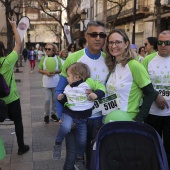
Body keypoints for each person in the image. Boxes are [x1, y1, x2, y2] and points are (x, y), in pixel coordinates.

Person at [55, 20, 109, 170]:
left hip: (97, 119)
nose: (98, 38)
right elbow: (60, 90)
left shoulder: (109, 60)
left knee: (93, 157)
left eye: (102, 35)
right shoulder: (73, 58)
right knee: (72, 157)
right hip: (74, 117)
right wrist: (62, 116)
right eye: (94, 34)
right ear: (86, 36)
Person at [53, 63, 106, 165]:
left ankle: (79, 158)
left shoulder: (88, 83)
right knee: (65, 127)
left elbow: (101, 88)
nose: (67, 78)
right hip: (69, 114)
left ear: (77, 77)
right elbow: (68, 101)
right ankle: (58, 143)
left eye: (68, 76)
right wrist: (61, 98)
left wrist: (96, 94)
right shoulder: (68, 87)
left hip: (82, 118)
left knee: (82, 140)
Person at [104, 28, 156, 123]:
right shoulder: (113, 65)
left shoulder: (134, 66)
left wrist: (139, 119)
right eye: (110, 42)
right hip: (110, 119)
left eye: (118, 42)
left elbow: (151, 93)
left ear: (126, 44)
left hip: (128, 120)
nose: (113, 46)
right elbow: (113, 96)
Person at [0, 18, 29, 155]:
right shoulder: (7, 62)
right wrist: (13, 26)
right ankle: (21, 147)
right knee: (18, 122)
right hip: (11, 98)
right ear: (2, 50)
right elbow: (18, 44)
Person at [142, 30, 170, 167]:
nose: (163, 45)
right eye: (160, 42)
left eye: (167, 42)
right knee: (152, 147)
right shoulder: (147, 60)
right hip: (152, 113)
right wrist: (155, 96)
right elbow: (140, 83)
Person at [38, 43, 62, 124]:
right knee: (47, 100)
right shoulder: (43, 58)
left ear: (53, 50)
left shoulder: (57, 58)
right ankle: (46, 115)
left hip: (56, 82)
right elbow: (39, 69)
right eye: (46, 49)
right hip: (46, 83)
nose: (47, 50)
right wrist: (46, 72)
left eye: (49, 49)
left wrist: (55, 72)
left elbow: (61, 69)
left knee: (55, 100)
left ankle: (53, 114)